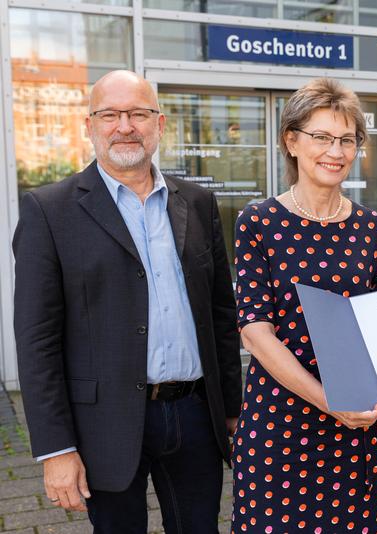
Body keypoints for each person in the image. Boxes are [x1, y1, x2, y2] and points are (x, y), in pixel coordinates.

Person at [12, 70, 242, 533]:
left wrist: (231, 411)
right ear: (89, 125)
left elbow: (221, 314)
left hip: (195, 413)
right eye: (110, 114)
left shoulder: (196, 202)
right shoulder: (49, 210)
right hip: (104, 424)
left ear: (159, 124)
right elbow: (36, 340)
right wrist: (56, 449)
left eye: (137, 113)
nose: (125, 125)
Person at [231, 78, 377, 534]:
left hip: (358, 429)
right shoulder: (258, 222)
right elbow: (254, 332)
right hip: (281, 425)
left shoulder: (373, 228)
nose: (335, 151)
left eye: (347, 139)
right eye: (321, 137)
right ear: (292, 141)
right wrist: (327, 401)